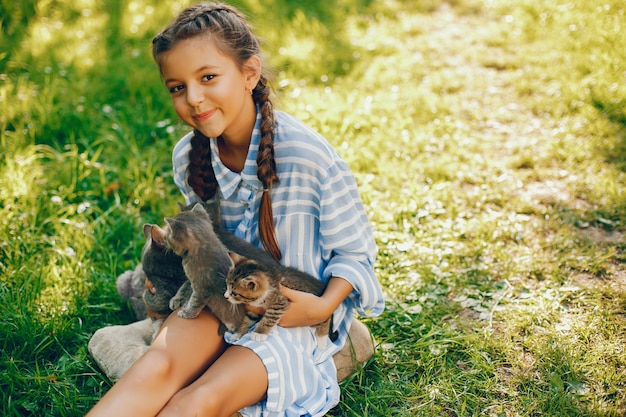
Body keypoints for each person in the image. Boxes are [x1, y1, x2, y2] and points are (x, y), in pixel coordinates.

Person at [86, 2, 384, 416]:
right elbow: (205, 243)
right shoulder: (187, 156)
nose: (193, 98)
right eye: (177, 87)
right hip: (220, 298)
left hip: (287, 320)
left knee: (201, 399)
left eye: (208, 77)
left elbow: (355, 254)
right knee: (157, 366)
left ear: (249, 73)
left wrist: (320, 308)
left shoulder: (307, 158)